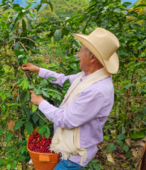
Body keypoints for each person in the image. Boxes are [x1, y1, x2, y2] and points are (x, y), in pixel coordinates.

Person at [22, 27, 120, 169]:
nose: (78, 55)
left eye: (80, 50)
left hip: (72, 157)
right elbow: (64, 80)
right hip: (67, 149)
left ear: (93, 58)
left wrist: (40, 102)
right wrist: (38, 70)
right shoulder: (89, 76)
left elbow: (66, 119)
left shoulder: (97, 90)